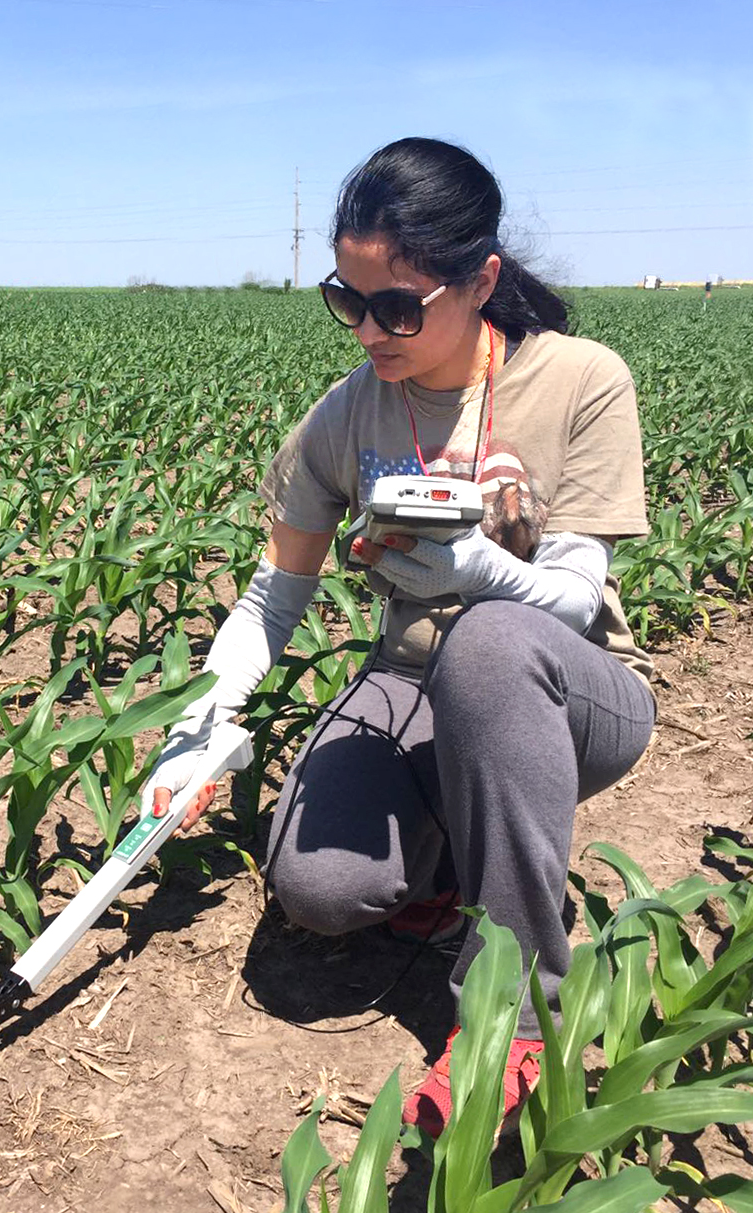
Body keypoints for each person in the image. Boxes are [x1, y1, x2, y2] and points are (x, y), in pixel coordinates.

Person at [144, 137, 657, 1139]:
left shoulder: (580, 381)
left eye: (398, 306)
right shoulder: (347, 413)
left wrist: (480, 574)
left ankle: (514, 1007)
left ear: (482, 280)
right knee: (323, 888)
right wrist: (197, 727)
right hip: (414, 681)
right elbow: (273, 595)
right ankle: (465, 851)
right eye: (348, 300)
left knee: (491, 645)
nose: (370, 330)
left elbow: (573, 594)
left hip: (572, 683)